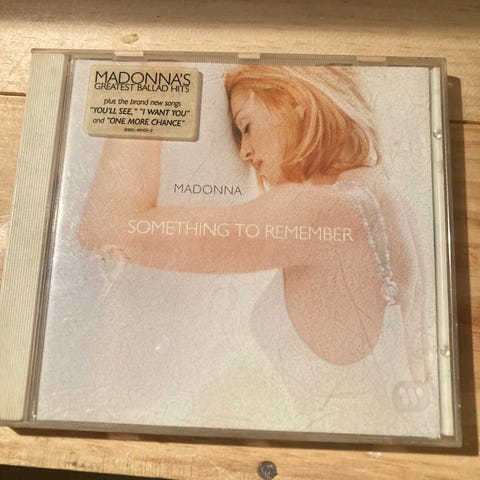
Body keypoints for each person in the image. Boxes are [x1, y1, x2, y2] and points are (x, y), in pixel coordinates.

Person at [78, 65, 426, 385]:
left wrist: (151, 78)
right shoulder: (383, 196)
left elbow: (109, 228)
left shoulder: (321, 209)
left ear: (294, 100)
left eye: (246, 126)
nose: (244, 152)